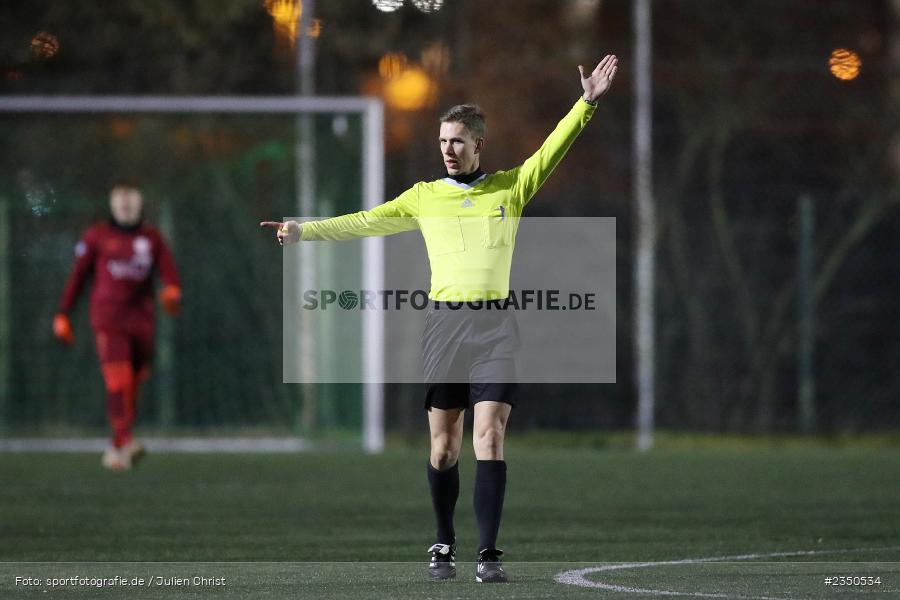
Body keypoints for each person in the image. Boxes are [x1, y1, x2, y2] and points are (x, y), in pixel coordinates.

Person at [262, 55, 618, 582]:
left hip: (496, 326)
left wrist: (586, 103)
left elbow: (552, 151)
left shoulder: (509, 189)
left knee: (490, 436)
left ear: (479, 144)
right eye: (443, 141)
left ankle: (489, 553)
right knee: (444, 446)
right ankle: (444, 541)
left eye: (458, 141)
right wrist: (304, 229)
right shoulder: (424, 197)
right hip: (444, 328)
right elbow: (366, 221)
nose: (448, 150)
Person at [54, 181, 181, 471]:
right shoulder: (96, 236)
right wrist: (63, 313)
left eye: (130, 203)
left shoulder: (152, 238)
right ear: (112, 206)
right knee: (117, 380)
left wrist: (172, 292)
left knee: (134, 383)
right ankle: (124, 440)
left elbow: (169, 274)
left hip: (142, 320)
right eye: (120, 203)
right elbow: (78, 277)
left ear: (139, 205)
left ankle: (116, 445)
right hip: (108, 320)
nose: (125, 207)